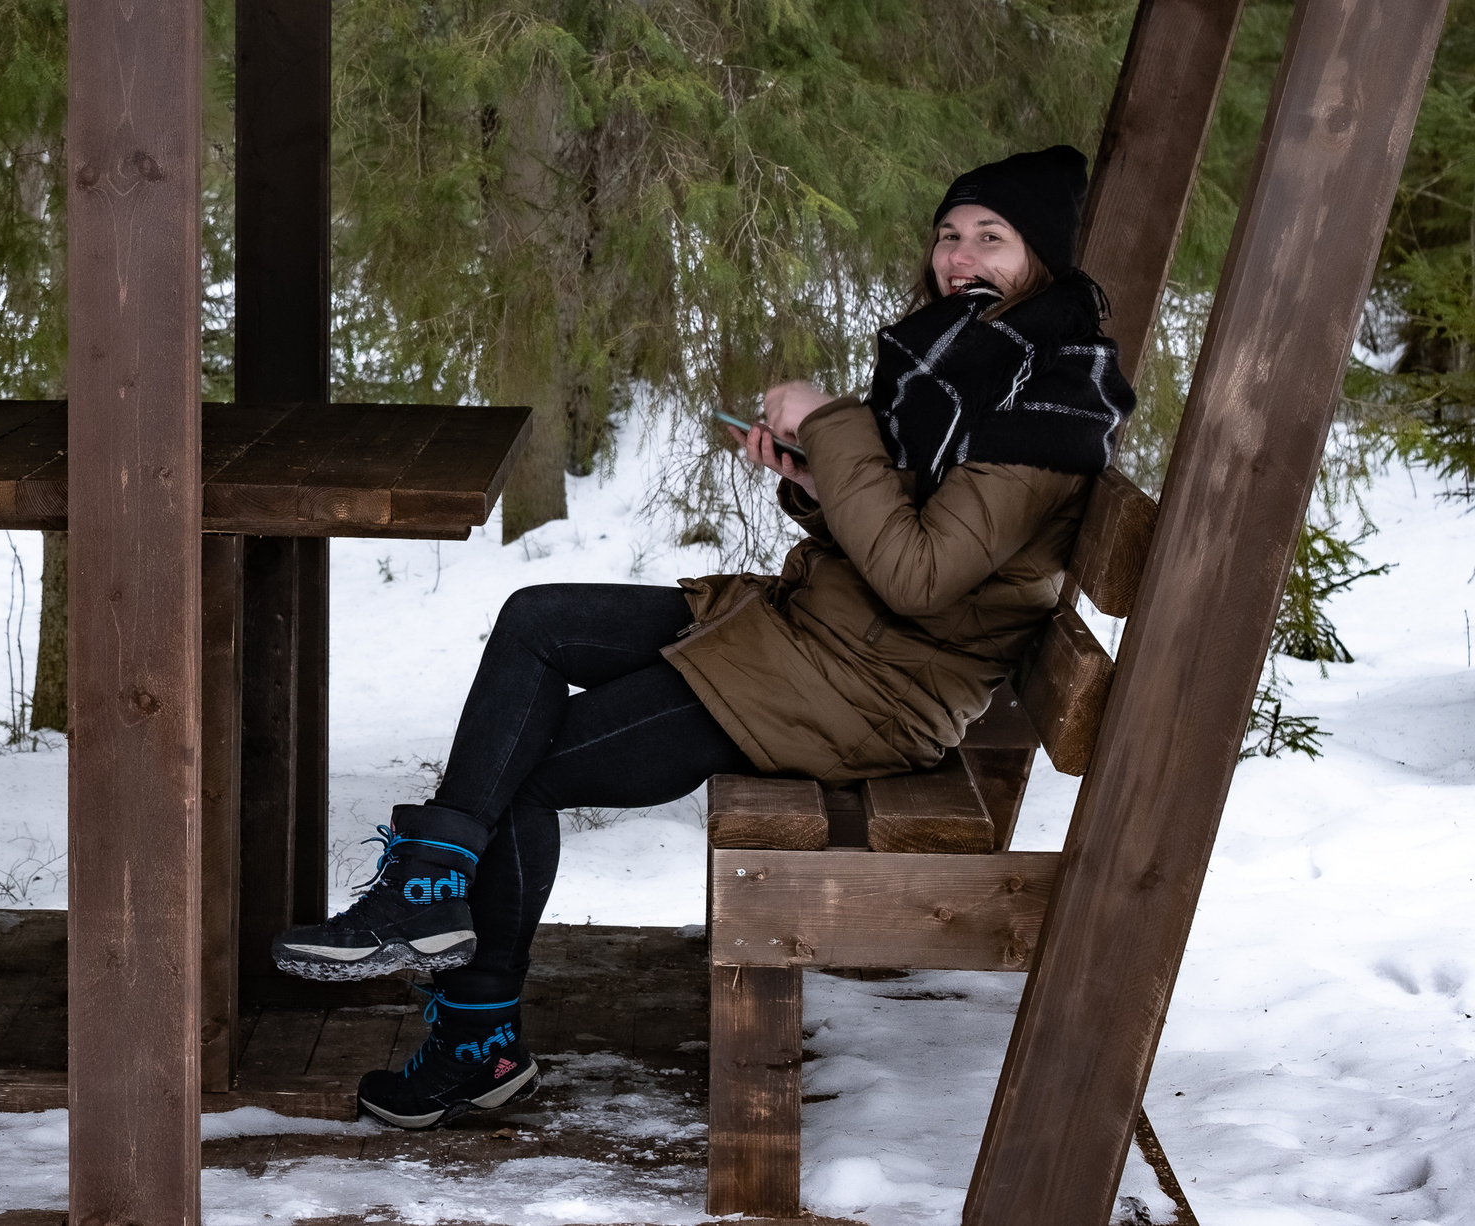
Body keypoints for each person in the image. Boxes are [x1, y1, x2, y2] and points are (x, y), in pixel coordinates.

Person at [270, 145, 1135, 1130]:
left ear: (1045, 261)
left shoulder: (1046, 405)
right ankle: (432, 891)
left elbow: (917, 575)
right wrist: (816, 480)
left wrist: (835, 422)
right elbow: (912, 539)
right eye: (948, 233)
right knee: (538, 619)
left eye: (993, 237)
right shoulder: (975, 365)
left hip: (867, 689)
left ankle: (472, 1030)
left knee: (524, 770)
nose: (958, 256)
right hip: (820, 640)